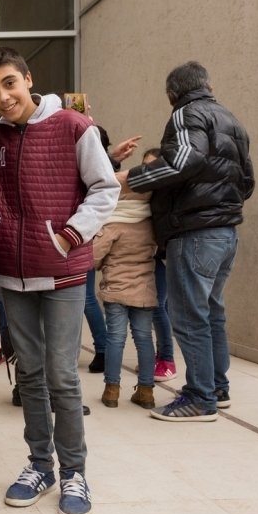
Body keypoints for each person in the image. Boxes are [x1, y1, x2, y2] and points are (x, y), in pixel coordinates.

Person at [0, 46, 119, 514]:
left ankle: (75, 471)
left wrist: (69, 235)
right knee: (30, 375)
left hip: (62, 270)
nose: (2, 97)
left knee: (62, 375)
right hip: (13, 274)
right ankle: (40, 466)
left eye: (9, 84)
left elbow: (105, 188)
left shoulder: (74, 127)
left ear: (27, 78)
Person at [123, 61, 254, 421]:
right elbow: (248, 181)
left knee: (189, 317)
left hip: (194, 233)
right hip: (225, 233)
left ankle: (199, 397)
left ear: (171, 94)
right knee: (211, 313)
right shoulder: (231, 122)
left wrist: (131, 178)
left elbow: (183, 161)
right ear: (207, 85)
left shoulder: (185, 114)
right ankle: (217, 387)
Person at [93, 158, 158, 409]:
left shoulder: (114, 224)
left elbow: (93, 257)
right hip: (145, 290)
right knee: (143, 339)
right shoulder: (150, 223)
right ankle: (146, 391)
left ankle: (111, 390)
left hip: (116, 291)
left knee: (115, 339)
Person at [84, 126, 142, 373]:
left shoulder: (98, 168)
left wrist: (113, 159)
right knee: (84, 298)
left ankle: (104, 349)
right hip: (85, 233)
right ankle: (103, 349)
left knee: (85, 297)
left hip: (85, 234)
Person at [139, 148, 179, 382]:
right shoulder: (145, 193)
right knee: (157, 307)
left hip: (167, 255)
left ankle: (167, 360)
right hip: (153, 256)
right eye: (144, 166)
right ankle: (160, 357)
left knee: (159, 307)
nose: (147, 172)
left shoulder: (169, 193)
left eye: (152, 167)